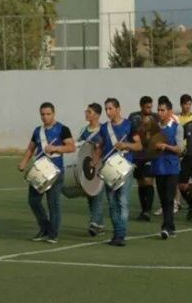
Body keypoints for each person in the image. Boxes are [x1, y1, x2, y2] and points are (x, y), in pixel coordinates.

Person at [18, 102, 76, 244]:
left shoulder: (63, 129)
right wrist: (24, 162)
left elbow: (71, 147)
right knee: (33, 201)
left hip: (55, 172)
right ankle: (45, 227)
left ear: (53, 113)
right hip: (40, 170)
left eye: (48, 114)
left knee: (53, 204)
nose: (45, 117)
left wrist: (55, 148)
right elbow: (31, 148)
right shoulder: (37, 131)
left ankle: (53, 234)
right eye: (42, 114)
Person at [98, 98, 143, 246]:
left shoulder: (129, 125)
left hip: (124, 166)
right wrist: (95, 161)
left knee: (122, 202)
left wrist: (125, 144)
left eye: (110, 108)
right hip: (109, 167)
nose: (108, 112)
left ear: (118, 109)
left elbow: (139, 146)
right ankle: (117, 232)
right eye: (106, 109)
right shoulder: (104, 128)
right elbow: (99, 147)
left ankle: (121, 234)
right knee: (112, 203)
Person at [152, 96, 184, 239]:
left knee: (169, 197)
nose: (160, 112)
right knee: (163, 198)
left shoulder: (177, 127)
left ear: (169, 111)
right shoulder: (155, 127)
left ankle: (166, 226)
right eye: (158, 110)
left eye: (163, 110)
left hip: (171, 167)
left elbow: (180, 149)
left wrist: (165, 146)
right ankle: (170, 227)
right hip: (158, 166)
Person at [79, 103, 106, 236]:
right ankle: (100, 224)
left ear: (96, 114)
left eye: (89, 112)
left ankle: (94, 222)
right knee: (90, 195)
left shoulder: (103, 130)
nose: (86, 113)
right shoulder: (84, 130)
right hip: (87, 167)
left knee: (97, 195)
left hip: (100, 167)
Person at [129, 96, 157, 221]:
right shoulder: (133, 117)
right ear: (141, 106)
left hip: (150, 155)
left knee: (148, 180)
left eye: (151, 107)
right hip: (137, 155)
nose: (149, 109)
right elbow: (131, 133)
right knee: (141, 182)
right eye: (147, 107)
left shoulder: (155, 117)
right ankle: (143, 209)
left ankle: (147, 211)